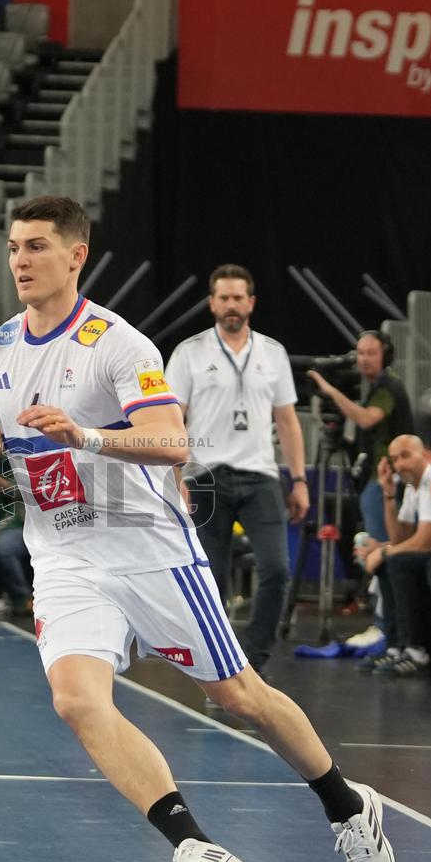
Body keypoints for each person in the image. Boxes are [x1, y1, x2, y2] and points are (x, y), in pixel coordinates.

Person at [0, 195, 395, 862]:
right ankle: (192, 842)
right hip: (64, 558)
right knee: (75, 700)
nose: (20, 260)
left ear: (76, 255)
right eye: (15, 247)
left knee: (240, 697)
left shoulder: (119, 344)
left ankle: (348, 807)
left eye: (37, 247)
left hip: (149, 549)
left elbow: (173, 442)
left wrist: (83, 435)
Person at [165, 264, 309, 674]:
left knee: (276, 569)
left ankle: (253, 664)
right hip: (206, 476)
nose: (231, 305)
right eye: (224, 298)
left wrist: (299, 480)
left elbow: (287, 421)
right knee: (211, 578)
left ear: (251, 303)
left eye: (238, 297)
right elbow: (172, 419)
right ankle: (220, 666)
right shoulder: (190, 352)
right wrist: (176, 477)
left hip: (261, 475)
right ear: (212, 303)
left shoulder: (273, 353)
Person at [309, 331, 414, 653]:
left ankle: (387, 627)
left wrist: (331, 392)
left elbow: (367, 420)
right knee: (375, 550)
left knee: (382, 552)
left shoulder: (389, 388)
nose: (363, 359)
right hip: (375, 478)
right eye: (360, 353)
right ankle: (385, 624)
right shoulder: (375, 388)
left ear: (386, 355)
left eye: (371, 352)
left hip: (386, 482)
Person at [358, 435, 431, 676]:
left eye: (406, 455)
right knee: (391, 562)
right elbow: (401, 538)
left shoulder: (430, 479)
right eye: (395, 459)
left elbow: (424, 541)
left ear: (425, 455)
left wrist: (384, 551)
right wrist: (389, 494)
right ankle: (396, 646)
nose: (400, 464)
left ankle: (417, 650)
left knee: (395, 560)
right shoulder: (412, 487)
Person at [0, 425, 33, 617]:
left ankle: (23, 599)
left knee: (4, 548)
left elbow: (21, 492)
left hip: (21, 525)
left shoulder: (15, 459)